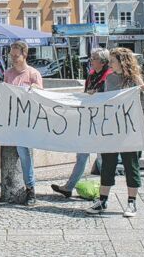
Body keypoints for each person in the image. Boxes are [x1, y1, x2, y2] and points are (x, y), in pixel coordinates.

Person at [87, 47, 144, 217]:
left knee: (131, 165)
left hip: (129, 130)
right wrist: (94, 95)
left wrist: (141, 92)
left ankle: (131, 202)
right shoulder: (110, 79)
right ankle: (102, 200)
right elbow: (106, 100)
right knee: (107, 164)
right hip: (111, 129)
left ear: (122, 62)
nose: (110, 64)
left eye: (112, 61)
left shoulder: (135, 80)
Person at [51, 48, 112, 198]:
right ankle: (68, 187)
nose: (91, 60)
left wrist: (95, 95)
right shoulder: (91, 75)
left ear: (102, 62)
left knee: (104, 158)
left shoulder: (109, 76)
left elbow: (109, 97)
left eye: (94, 58)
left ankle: (104, 192)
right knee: (82, 155)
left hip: (102, 122)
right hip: (88, 120)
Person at [1, 40, 43, 206]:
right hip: (11, 119)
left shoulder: (33, 74)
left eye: (16, 55)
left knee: (24, 153)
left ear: (24, 55)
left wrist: (34, 89)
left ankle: (30, 189)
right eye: (11, 55)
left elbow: (41, 95)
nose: (13, 58)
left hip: (26, 121)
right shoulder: (8, 74)